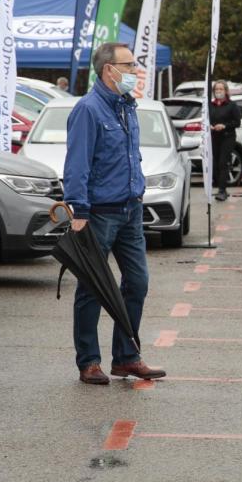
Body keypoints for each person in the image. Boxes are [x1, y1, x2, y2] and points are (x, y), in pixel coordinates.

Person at [63, 42, 166, 385]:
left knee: (137, 283)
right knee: (92, 288)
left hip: (130, 210)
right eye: (130, 65)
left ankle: (126, 357)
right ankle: (89, 362)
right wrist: (79, 209)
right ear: (110, 69)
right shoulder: (88, 110)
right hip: (98, 214)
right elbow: (77, 164)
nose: (135, 71)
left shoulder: (126, 107)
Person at [209, 81, 241, 201]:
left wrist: (224, 126)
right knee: (216, 164)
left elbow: (237, 122)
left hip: (227, 137)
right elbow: (207, 119)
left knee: (223, 163)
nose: (218, 92)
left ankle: (222, 190)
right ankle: (221, 187)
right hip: (214, 136)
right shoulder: (210, 105)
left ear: (226, 91)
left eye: (221, 89)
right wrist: (211, 125)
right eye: (216, 89)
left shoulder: (232, 105)